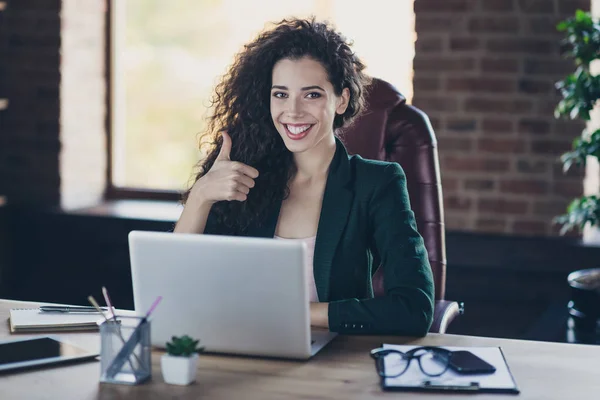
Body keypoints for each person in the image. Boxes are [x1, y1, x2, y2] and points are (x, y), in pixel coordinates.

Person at [174, 17, 434, 336]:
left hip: (330, 359)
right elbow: (175, 289)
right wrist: (200, 196)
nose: (293, 111)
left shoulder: (376, 183)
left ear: (341, 100)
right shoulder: (245, 172)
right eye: (280, 94)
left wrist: (293, 312)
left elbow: (414, 309)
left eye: (311, 95)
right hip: (238, 346)